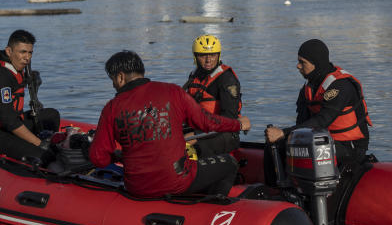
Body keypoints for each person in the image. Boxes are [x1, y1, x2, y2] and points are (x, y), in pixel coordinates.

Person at [89, 50, 251, 198]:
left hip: (137, 187)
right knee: (230, 163)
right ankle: (208, 209)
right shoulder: (172, 91)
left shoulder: (111, 108)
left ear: (120, 77)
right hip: (178, 180)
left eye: (113, 80)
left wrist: (119, 156)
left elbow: (98, 158)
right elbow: (207, 121)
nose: (113, 85)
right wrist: (237, 124)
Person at [265, 38, 372, 169]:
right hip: (322, 140)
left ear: (316, 63)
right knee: (274, 145)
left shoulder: (340, 86)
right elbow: (302, 124)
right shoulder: (308, 88)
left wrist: (283, 132)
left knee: (310, 151)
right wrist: (284, 138)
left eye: (302, 62)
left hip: (349, 146)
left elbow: (322, 121)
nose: (298, 66)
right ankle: (275, 187)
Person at [0, 29, 61, 161]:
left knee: (52, 115)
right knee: (44, 156)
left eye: (30, 53)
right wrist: (40, 144)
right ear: (9, 51)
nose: (27, 57)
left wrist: (33, 82)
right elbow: (9, 120)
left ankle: (46, 144)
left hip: (7, 125)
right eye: (22, 52)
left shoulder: (13, 66)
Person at [182, 34, 242, 157]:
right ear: (195, 57)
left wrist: (195, 135)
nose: (208, 60)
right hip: (199, 130)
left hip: (223, 134)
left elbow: (229, 119)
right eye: (203, 55)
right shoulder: (195, 76)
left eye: (213, 55)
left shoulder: (226, 79)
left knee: (186, 150)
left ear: (218, 55)